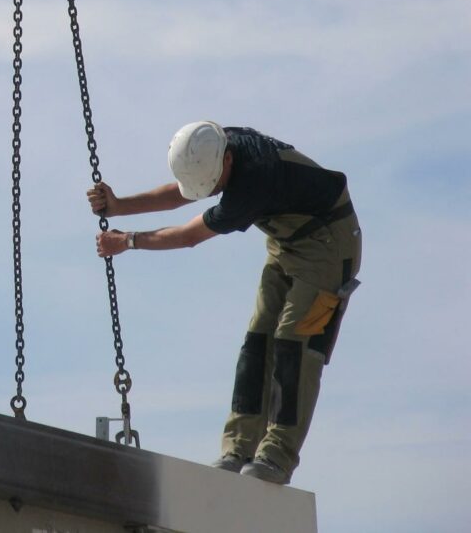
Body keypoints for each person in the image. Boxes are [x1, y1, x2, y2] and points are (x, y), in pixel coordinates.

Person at [88, 121, 361, 485]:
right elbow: (183, 192)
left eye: (215, 183)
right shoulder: (215, 145)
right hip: (287, 240)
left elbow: (188, 237)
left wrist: (128, 242)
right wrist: (120, 206)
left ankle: (276, 457)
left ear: (228, 161)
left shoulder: (252, 182)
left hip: (329, 243)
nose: (212, 191)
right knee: (257, 341)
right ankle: (239, 448)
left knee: (294, 343)